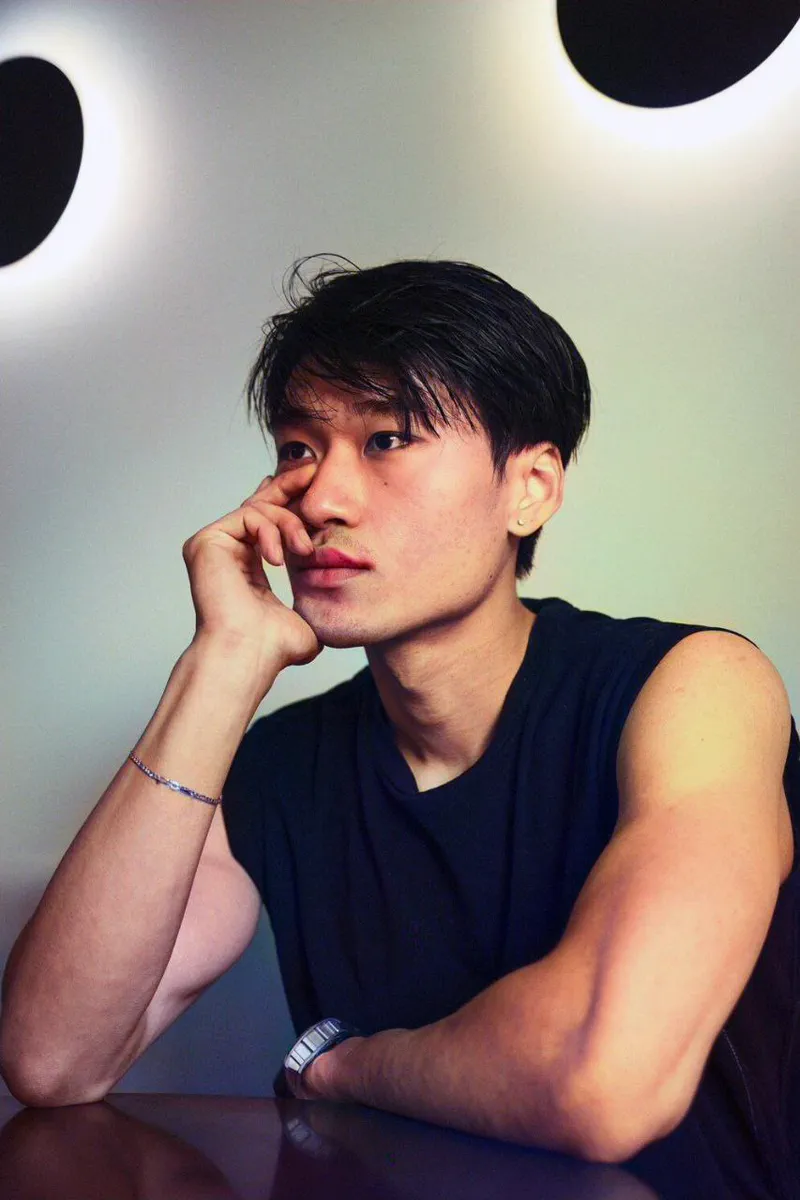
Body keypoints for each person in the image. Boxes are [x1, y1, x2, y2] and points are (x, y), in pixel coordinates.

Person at [1, 258, 797, 1188]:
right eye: (297, 449)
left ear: (530, 487)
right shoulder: (283, 767)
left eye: (387, 440)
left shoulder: (692, 689)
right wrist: (222, 661)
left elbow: (599, 1080)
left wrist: (344, 1067)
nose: (320, 499)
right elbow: (52, 1058)